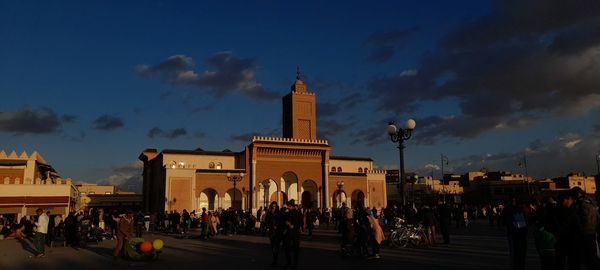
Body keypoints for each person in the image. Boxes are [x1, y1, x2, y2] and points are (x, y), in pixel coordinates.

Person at [572, 187, 600, 269]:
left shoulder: (579, 204)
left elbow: (577, 220)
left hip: (584, 234)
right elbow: (598, 217)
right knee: (592, 257)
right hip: (592, 232)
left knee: (583, 258)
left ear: (577, 194)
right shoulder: (592, 203)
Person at [503, 198, 528, 270]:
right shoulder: (520, 209)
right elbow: (526, 221)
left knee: (514, 254)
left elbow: (504, 221)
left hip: (513, 234)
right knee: (521, 254)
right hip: (522, 234)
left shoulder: (507, 209)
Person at [283, 200, 303, 269]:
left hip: (295, 233)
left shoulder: (298, 213)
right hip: (288, 233)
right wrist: (286, 223)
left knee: (295, 249)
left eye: (289, 206)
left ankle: (295, 264)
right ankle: (288, 262)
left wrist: (294, 226)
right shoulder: (287, 213)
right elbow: (284, 221)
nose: (288, 207)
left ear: (292, 206)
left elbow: (301, 223)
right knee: (287, 249)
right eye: (288, 206)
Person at [266, 201, 283, 266]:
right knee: (273, 246)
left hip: (278, 232)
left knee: (276, 246)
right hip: (271, 231)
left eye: (275, 206)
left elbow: (281, 222)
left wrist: (277, 226)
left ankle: (276, 259)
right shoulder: (269, 213)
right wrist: (270, 225)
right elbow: (266, 221)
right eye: (272, 206)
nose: (274, 208)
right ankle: (275, 258)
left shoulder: (279, 213)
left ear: (277, 207)